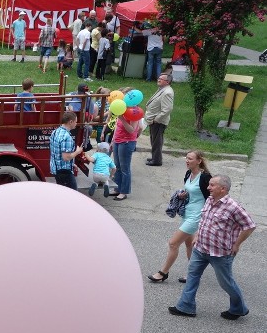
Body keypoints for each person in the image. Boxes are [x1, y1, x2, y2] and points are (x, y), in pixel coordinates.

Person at [169, 175, 256, 320]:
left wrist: (237, 244)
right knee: (192, 276)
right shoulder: (209, 200)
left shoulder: (233, 207)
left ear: (223, 189)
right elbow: (204, 220)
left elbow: (249, 226)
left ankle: (238, 308)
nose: (208, 187)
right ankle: (186, 306)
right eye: (209, 185)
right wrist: (197, 236)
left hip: (220, 253)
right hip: (201, 248)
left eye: (212, 185)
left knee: (226, 283)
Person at [148, 151, 211, 283]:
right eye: (186, 158)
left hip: (197, 216)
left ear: (199, 161)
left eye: (190, 159)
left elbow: (210, 197)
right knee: (189, 244)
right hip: (187, 213)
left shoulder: (205, 177)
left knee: (173, 243)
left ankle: (163, 273)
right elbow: (191, 191)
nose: (187, 161)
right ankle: (193, 274)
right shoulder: (188, 173)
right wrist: (183, 195)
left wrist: (207, 218)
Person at [109, 91, 142, 201]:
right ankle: (117, 188)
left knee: (124, 168)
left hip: (127, 142)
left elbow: (132, 130)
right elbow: (117, 128)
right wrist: (113, 141)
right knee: (117, 166)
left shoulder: (134, 112)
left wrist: (123, 119)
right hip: (118, 141)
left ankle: (124, 191)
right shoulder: (121, 109)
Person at [144, 71, 175, 166]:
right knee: (154, 140)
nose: (158, 80)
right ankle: (155, 157)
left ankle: (157, 160)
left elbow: (167, 109)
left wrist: (156, 119)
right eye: (159, 78)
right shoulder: (162, 89)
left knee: (157, 141)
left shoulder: (167, 93)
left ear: (167, 82)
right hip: (154, 121)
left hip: (158, 121)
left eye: (161, 79)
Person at [49, 111, 83, 190]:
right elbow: (66, 157)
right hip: (64, 172)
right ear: (70, 122)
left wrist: (72, 164)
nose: (76, 124)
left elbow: (57, 153)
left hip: (56, 168)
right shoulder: (67, 137)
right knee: (72, 194)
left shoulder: (55, 132)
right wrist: (77, 151)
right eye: (75, 122)